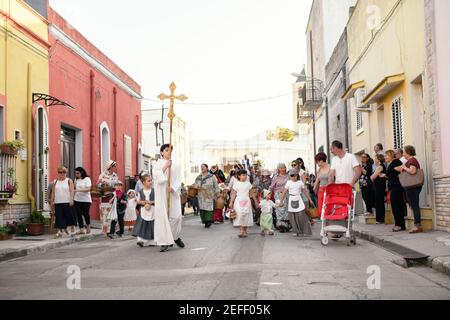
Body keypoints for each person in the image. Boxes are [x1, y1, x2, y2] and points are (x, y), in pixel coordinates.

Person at [153, 144, 185, 253]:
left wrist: (173, 187)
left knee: (176, 217)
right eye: (166, 150)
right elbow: (156, 177)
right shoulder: (157, 164)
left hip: (172, 194)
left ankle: (174, 237)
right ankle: (164, 242)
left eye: (170, 150)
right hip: (162, 194)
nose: (168, 152)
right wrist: (165, 166)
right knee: (163, 217)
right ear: (162, 152)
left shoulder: (176, 165)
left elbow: (178, 179)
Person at [279, 169, 314, 237]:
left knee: (302, 216)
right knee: (292, 217)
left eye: (295, 175)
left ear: (297, 176)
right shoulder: (288, 182)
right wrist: (281, 201)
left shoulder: (300, 183)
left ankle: (305, 231)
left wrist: (310, 200)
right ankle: (296, 231)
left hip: (299, 199)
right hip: (291, 199)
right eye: (292, 175)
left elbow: (305, 192)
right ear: (290, 176)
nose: (293, 177)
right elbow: (284, 192)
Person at [396, 145, 423, 234]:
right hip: (410, 186)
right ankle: (417, 224)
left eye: (404, 152)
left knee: (414, 205)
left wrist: (404, 168)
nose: (403, 154)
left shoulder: (412, 160)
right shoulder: (409, 161)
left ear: (408, 152)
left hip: (413, 186)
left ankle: (417, 225)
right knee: (412, 204)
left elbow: (413, 171)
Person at [51, 166, 76, 238]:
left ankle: (72, 229)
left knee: (70, 216)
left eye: (64, 172)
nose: (62, 174)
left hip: (67, 201)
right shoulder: (55, 182)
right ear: (58, 173)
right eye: (60, 172)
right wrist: (52, 201)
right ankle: (59, 231)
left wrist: (71, 199)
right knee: (59, 217)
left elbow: (72, 191)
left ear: (66, 173)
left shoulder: (69, 181)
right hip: (58, 202)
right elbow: (53, 192)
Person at [385, 150, 407, 232]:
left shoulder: (396, 161)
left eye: (386, 155)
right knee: (395, 206)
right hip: (393, 187)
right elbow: (392, 175)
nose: (385, 157)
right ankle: (399, 224)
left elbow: (401, 170)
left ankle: (399, 225)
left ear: (391, 155)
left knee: (397, 206)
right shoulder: (390, 163)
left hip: (397, 188)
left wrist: (396, 169)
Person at [228, 170, 254, 238]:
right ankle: (241, 230)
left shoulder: (248, 184)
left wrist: (255, 202)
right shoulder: (236, 184)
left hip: (247, 201)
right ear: (239, 176)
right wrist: (231, 202)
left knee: (246, 215)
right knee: (239, 215)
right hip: (238, 201)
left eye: (245, 175)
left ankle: (245, 230)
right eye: (243, 175)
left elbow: (251, 194)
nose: (245, 176)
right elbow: (233, 194)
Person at [133, 174, 156, 247]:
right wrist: (142, 202)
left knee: (151, 225)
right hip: (143, 211)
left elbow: (158, 200)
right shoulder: (140, 192)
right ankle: (141, 240)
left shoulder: (154, 191)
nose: (151, 182)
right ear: (143, 182)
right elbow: (137, 200)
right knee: (142, 225)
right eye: (149, 181)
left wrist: (151, 202)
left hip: (152, 210)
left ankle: (151, 241)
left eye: (151, 180)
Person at [195, 164, 220, 228]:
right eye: (201, 167)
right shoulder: (198, 177)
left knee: (209, 208)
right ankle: (204, 220)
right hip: (201, 196)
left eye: (203, 167)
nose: (202, 168)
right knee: (202, 208)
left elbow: (216, 185)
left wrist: (217, 192)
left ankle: (208, 221)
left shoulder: (212, 176)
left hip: (209, 195)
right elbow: (195, 185)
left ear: (207, 168)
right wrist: (196, 187)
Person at [97, 160, 119, 233]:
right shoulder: (103, 175)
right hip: (105, 196)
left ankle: (112, 229)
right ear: (110, 167)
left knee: (113, 212)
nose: (115, 167)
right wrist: (103, 184)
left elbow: (118, 185)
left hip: (113, 196)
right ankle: (105, 228)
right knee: (105, 213)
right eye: (114, 166)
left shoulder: (115, 175)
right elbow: (98, 184)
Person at [269, 163, 290, 232]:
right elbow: (271, 187)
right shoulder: (276, 177)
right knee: (279, 209)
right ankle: (280, 225)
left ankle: (286, 225)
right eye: (281, 168)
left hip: (287, 194)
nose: (283, 169)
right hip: (278, 194)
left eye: (284, 168)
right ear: (278, 169)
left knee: (286, 209)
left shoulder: (288, 176)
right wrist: (268, 194)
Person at [74, 167, 92, 235]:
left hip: (86, 200)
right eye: (75, 173)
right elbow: (74, 188)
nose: (76, 174)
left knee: (85, 213)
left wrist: (78, 190)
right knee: (78, 214)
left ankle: (88, 226)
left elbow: (88, 189)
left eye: (77, 173)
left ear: (81, 172)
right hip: (77, 199)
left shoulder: (87, 179)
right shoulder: (76, 179)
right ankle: (81, 229)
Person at [371, 154, 387, 224]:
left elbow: (372, 177)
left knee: (379, 202)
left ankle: (380, 219)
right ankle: (380, 219)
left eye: (375, 158)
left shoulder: (380, 167)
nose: (374, 160)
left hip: (379, 187)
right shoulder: (379, 167)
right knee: (379, 202)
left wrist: (373, 175)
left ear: (379, 159)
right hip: (378, 186)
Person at [314, 152, 331, 218]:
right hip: (321, 189)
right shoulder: (319, 169)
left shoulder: (330, 167)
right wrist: (315, 188)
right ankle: (323, 221)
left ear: (321, 160)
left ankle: (328, 219)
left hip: (328, 189)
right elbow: (317, 180)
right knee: (321, 207)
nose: (317, 163)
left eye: (317, 162)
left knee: (328, 206)